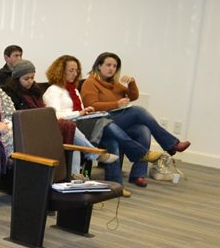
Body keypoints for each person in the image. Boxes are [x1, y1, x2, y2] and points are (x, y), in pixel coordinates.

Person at [81, 52, 190, 187]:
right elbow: (91, 106)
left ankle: (138, 175)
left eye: (114, 66)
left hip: (115, 120)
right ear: (98, 66)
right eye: (108, 65)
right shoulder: (90, 82)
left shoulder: (112, 83)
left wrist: (131, 82)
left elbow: (133, 96)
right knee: (138, 111)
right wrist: (116, 104)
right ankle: (171, 144)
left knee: (143, 130)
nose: (111, 68)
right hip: (102, 123)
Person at [5, 59, 117, 179]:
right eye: (26, 79)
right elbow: (17, 116)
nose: (30, 82)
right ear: (17, 79)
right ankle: (90, 156)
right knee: (68, 127)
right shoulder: (11, 93)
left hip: (42, 125)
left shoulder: (34, 91)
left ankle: (77, 172)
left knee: (70, 131)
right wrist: (76, 114)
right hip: (28, 130)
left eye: (32, 78)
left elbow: (43, 112)